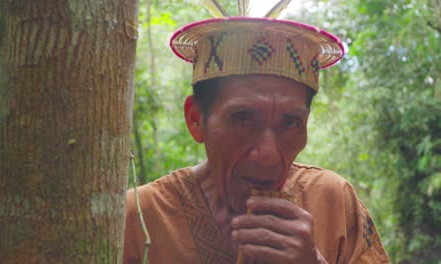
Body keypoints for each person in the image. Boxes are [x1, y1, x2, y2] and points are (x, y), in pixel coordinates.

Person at [124, 3, 390, 263]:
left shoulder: (333, 201)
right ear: (196, 119)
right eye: (243, 119)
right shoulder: (137, 219)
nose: (269, 156)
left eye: (290, 123)